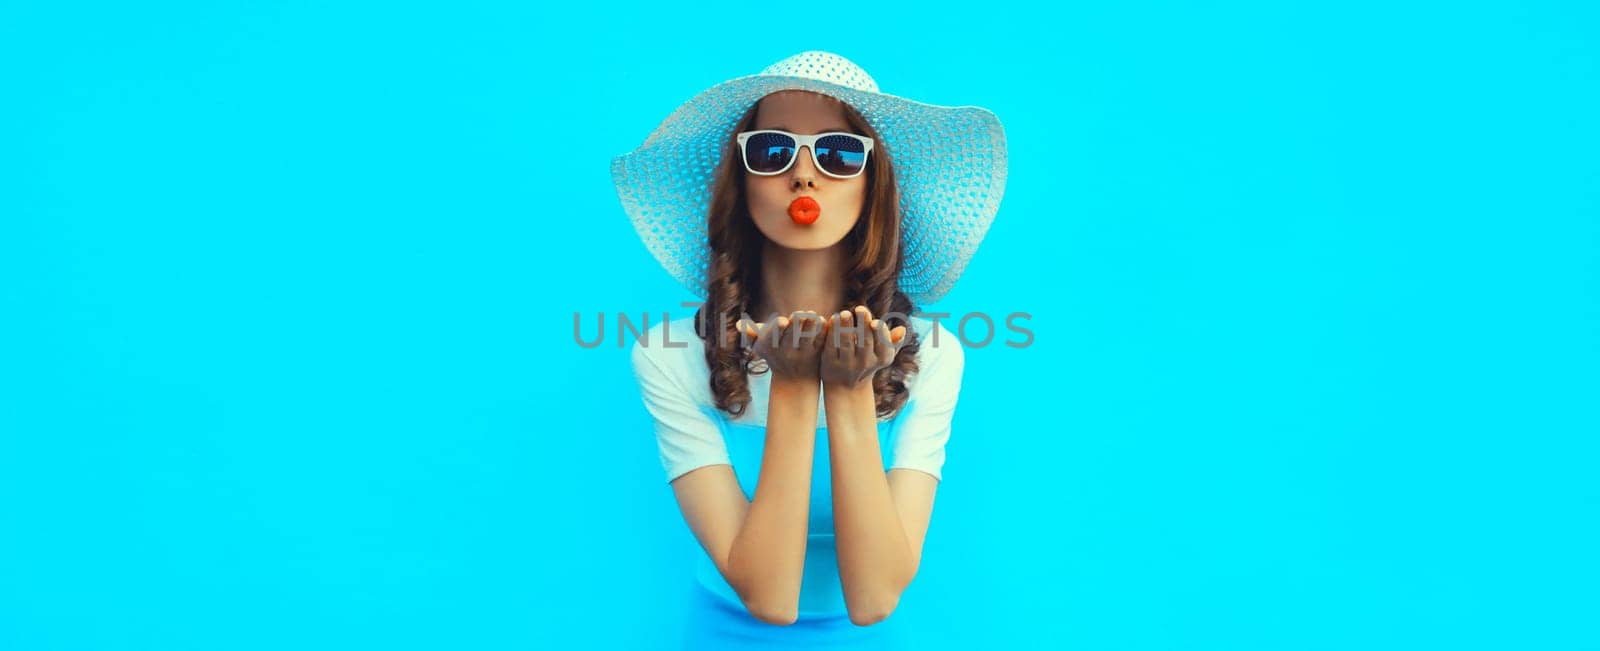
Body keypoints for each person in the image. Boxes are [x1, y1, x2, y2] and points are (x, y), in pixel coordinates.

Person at [611, 50, 1008, 649]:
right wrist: (796, 385)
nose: (804, 175)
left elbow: (874, 598)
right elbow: (768, 596)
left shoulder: (935, 354)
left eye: (839, 153)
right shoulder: (668, 353)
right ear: (740, 183)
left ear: (873, 186)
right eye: (772, 151)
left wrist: (847, 389)